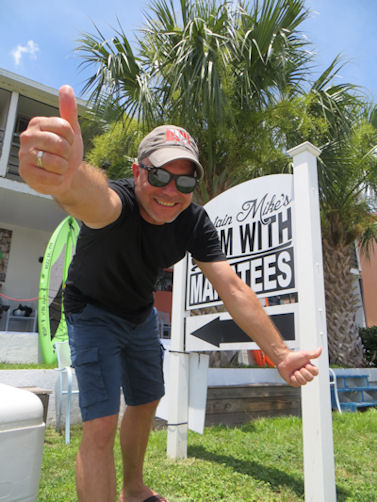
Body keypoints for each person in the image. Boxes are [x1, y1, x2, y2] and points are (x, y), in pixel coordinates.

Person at [19, 85, 322, 502]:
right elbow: (93, 198)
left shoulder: (194, 222)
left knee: (147, 400)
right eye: (159, 175)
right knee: (102, 422)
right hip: (92, 311)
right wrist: (67, 180)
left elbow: (231, 287)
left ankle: (134, 489)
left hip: (140, 313)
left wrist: (282, 353)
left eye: (185, 180)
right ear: (139, 170)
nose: (170, 190)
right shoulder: (119, 201)